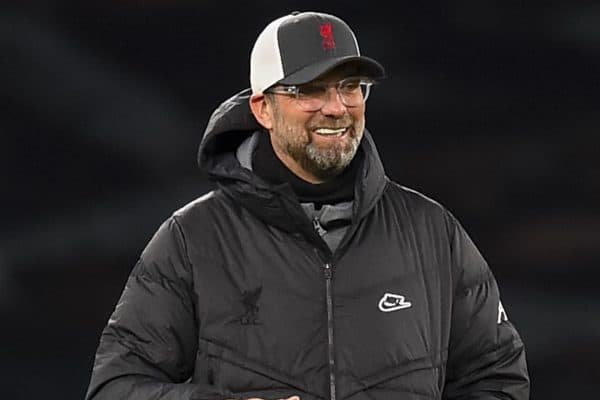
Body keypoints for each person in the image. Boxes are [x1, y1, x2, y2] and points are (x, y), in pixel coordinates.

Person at [85, 10, 530, 400]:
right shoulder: (193, 239)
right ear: (262, 108)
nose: (336, 108)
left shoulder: (433, 232)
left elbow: (497, 378)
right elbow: (116, 385)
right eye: (310, 90)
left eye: (351, 87)